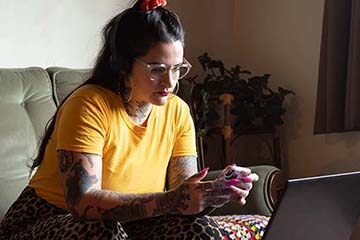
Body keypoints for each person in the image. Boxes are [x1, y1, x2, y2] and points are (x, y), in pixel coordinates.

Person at [0, 0, 259, 239]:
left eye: (177, 69)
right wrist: (172, 201)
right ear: (124, 65)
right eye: (157, 69)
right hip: (49, 222)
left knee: (197, 229)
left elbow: (184, 196)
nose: (170, 82)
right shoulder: (89, 104)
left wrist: (213, 191)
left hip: (131, 223)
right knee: (98, 229)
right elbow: (84, 203)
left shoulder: (176, 110)